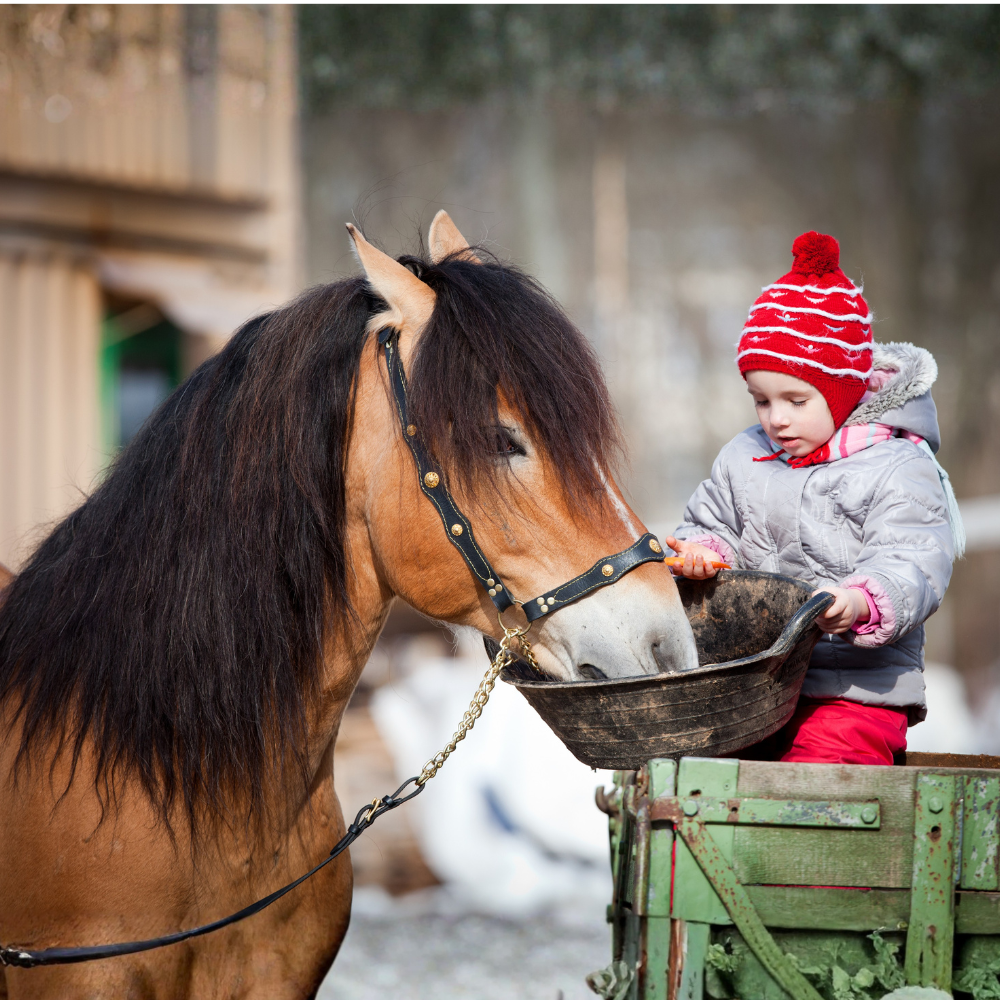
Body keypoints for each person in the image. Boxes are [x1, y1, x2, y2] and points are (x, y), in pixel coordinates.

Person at [667, 231, 964, 765]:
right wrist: (702, 553)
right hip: (756, 687)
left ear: (843, 392)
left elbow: (912, 559)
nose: (776, 418)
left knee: (817, 776)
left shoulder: (899, 466)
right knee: (704, 770)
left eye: (796, 399)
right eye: (761, 400)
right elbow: (711, 520)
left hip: (856, 692)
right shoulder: (744, 456)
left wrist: (860, 602)